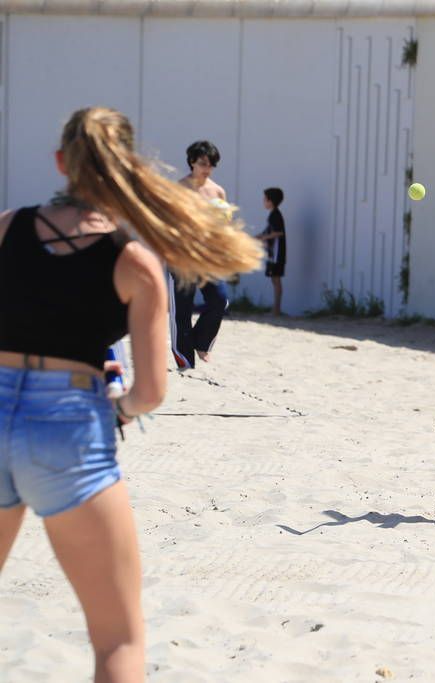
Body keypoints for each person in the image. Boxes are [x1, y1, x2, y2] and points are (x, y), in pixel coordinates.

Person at [0, 107, 262, 680]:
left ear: (60, 163)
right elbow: (150, 392)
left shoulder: (6, 226)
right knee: (117, 640)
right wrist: (113, 404)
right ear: (128, 168)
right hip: (69, 423)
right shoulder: (135, 260)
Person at [169, 140, 232, 368]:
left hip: (208, 257)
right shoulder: (180, 188)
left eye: (211, 165)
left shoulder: (217, 191)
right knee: (182, 311)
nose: (207, 169)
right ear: (192, 162)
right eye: (203, 163)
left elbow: (223, 227)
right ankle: (185, 360)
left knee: (220, 300)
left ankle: (201, 342)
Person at [257, 187, 286, 316]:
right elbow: (269, 231)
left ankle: (276, 310)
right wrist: (259, 236)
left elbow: (278, 232)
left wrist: (264, 237)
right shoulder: (272, 215)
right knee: (274, 280)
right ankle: (275, 309)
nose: (263, 201)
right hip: (272, 253)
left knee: (276, 280)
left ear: (271, 201)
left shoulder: (276, 215)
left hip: (277, 253)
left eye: (265, 199)